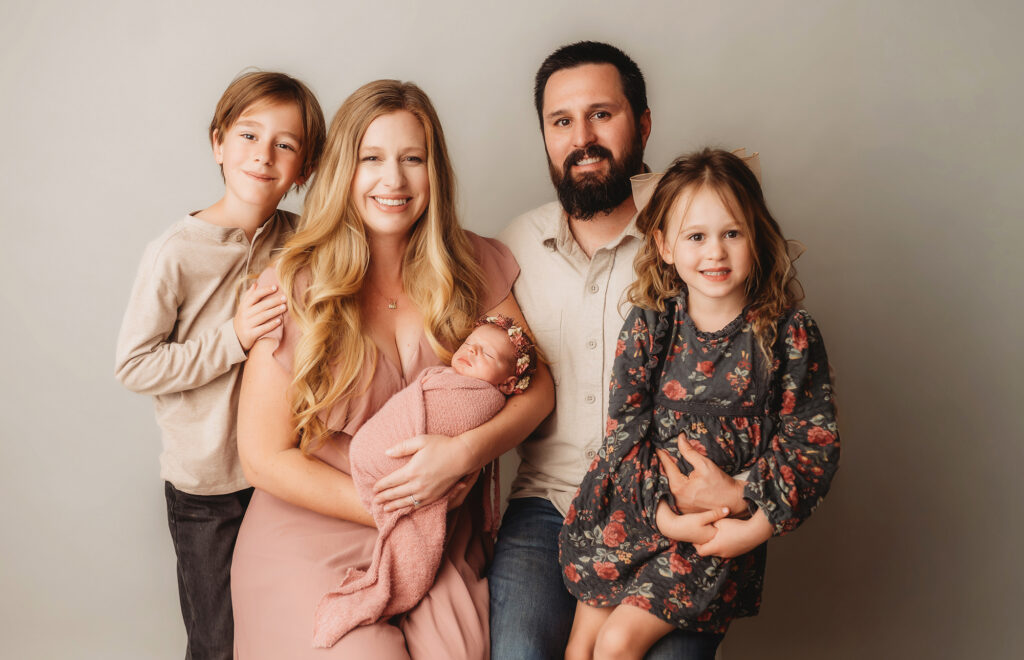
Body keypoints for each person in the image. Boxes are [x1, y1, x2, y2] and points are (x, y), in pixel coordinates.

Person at [230, 79, 554, 659]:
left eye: (413, 159)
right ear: (343, 173)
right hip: (314, 531)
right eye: (371, 159)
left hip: (438, 539)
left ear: (436, 171)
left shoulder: (475, 264)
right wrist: (395, 504)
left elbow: (537, 386)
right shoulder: (297, 282)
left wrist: (464, 455)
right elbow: (262, 456)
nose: (394, 181)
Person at [494, 41, 754, 659]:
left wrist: (742, 493)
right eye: (561, 122)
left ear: (642, 124)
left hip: (674, 510)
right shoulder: (512, 247)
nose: (581, 137)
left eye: (601, 114)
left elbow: (768, 369)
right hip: (549, 506)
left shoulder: (702, 239)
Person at [558, 148, 840, 659]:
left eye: (731, 233)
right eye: (696, 236)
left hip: (714, 536)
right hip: (635, 511)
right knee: (580, 647)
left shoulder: (786, 336)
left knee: (617, 644)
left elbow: (811, 444)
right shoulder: (649, 326)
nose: (715, 252)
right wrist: (664, 516)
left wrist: (750, 522)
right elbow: (623, 435)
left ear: (757, 236)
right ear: (664, 246)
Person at [114, 71, 325, 660]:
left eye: (285, 144)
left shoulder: (305, 241)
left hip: (283, 476)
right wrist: (232, 337)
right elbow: (135, 364)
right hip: (206, 487)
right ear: (217, 144)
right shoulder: (175, 253)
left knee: (281, 629)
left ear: (304, 168)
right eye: (249, 136)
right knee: (219, 640)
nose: (264, 155)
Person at [313, 314, 538, 647]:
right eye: (469, 345)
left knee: (462, 644)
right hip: (343, 488)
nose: (472, 352)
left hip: (406, 483)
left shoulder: (485, 399)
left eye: (486, 355)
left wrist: (461, 454)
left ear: (507, 384)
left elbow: (454, 419)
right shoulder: (446, 377)